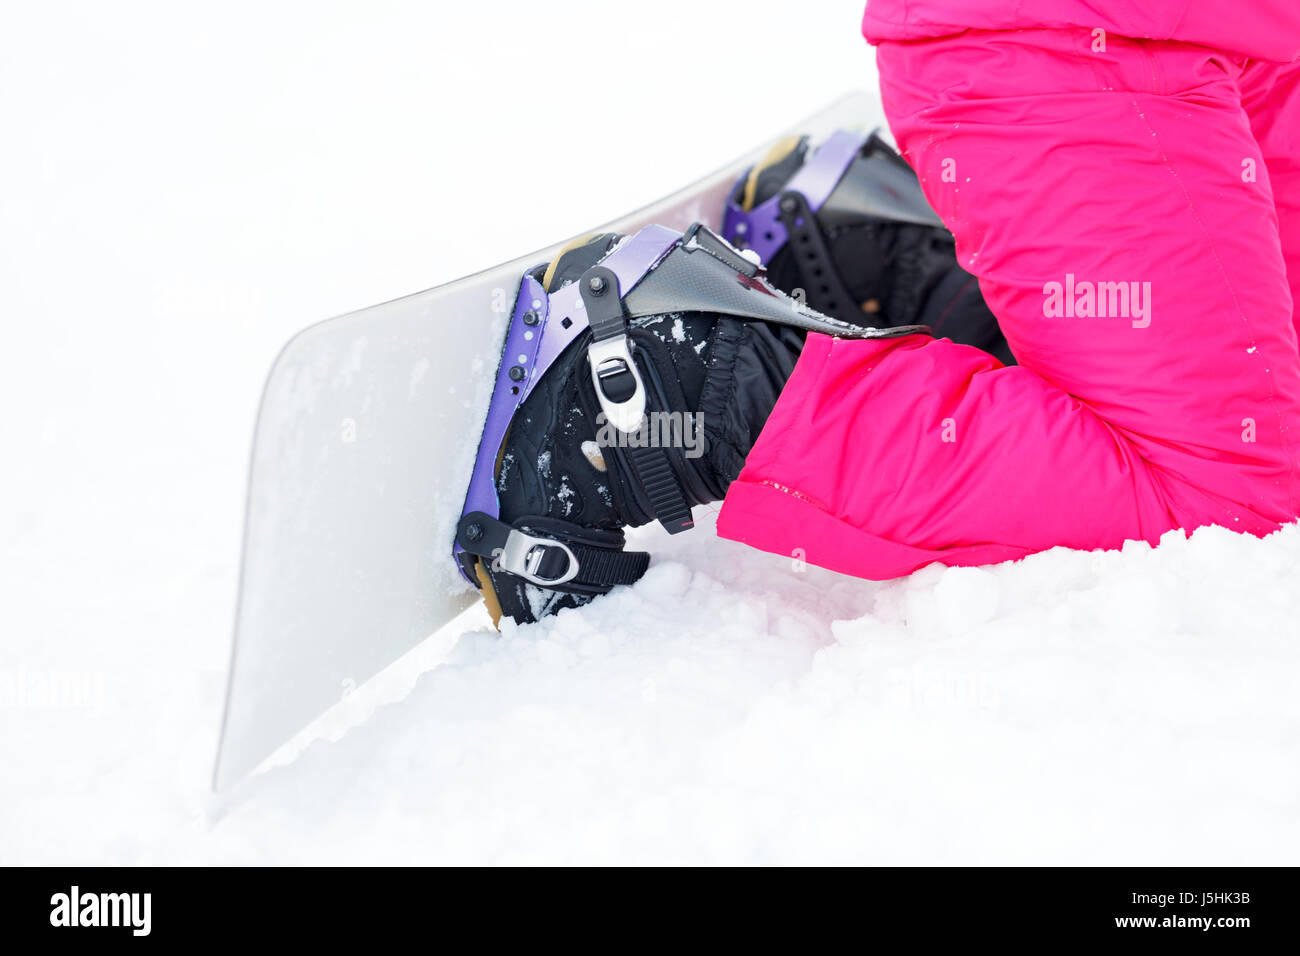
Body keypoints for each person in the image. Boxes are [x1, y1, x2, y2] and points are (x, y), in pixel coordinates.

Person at [461, 2, 1300, 624]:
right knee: (1224, 499)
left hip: (1234, 43)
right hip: (1085, 38)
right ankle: (681, 377)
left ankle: (877, 260)